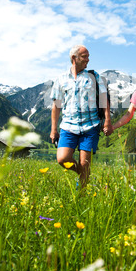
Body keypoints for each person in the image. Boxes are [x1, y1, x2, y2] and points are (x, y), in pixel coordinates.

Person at [50, 45, 112, 188]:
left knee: (85, 163)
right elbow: (56, 106)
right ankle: (83, 175)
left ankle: (81, 196)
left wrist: (107, 120)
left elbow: (104, 99)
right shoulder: (61, 79)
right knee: (62, 159)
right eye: (84, 56)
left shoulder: (94, 76)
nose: (88, 60)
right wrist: (53, 129)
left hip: (90, 126)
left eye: (88, 56)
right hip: (68, 126)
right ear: (74, 58)